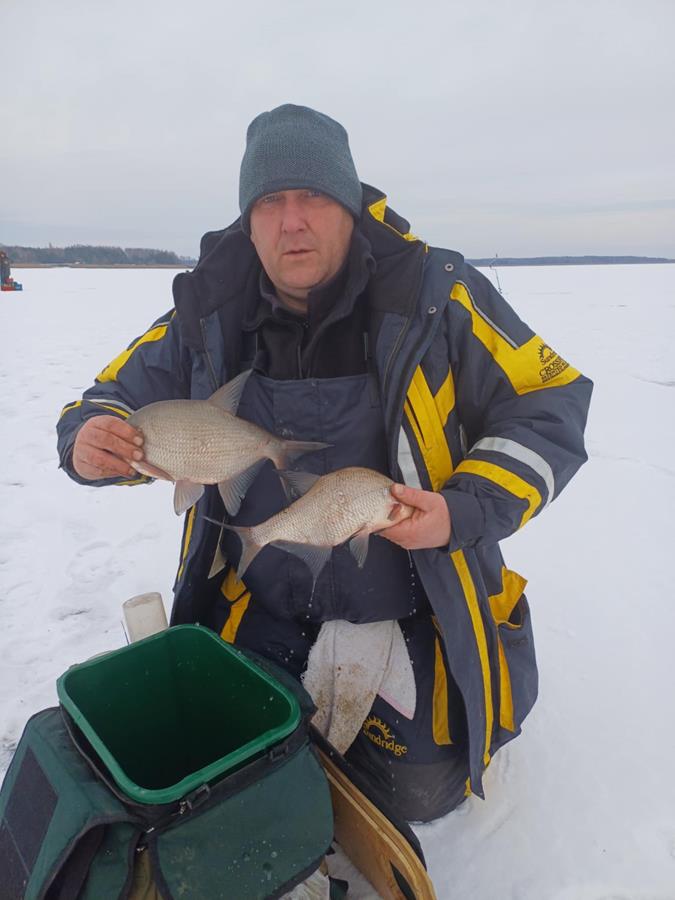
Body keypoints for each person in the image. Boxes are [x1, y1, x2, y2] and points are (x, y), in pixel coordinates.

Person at [57, 104, 592, 822]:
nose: (292, 222)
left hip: (415, 600)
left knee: (417, 792)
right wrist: (91, 440)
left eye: (312, 195)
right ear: (248, 222)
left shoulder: (437, 297)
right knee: (233, 761)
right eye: (269, 202)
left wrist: (461, 510)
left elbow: (550, 400)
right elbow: (108, 399)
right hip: (259, 596)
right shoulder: (207, 311)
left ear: (349, 205)